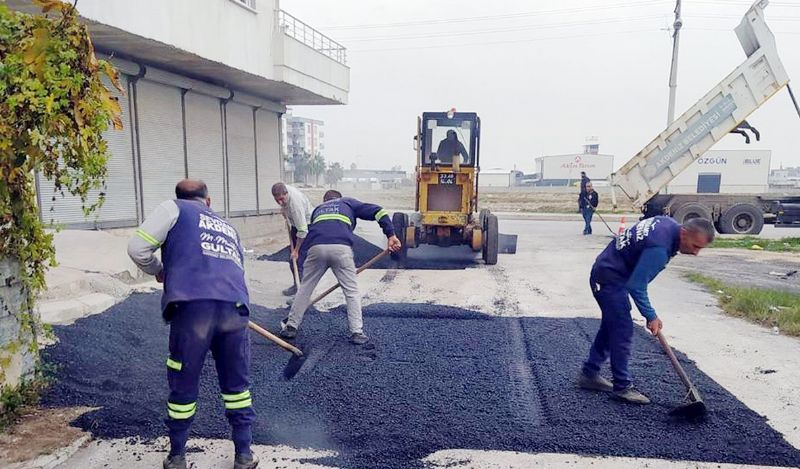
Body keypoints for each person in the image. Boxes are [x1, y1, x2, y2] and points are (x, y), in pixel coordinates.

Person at [127, 179, 258, 469]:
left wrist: (159, 271)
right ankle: (244, 455)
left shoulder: (173, 208)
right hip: (235, 309)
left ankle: (177, 456)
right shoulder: (228, 227)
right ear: (208, 201)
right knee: (237, 386)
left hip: (193, 310)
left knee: (183, 383)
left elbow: (138, 248)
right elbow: (239, 270)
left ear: (180, 197)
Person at [576, 216, 714, 404]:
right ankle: (622, 387)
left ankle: (590, 374)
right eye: (695, 246)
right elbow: (637, 286)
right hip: (608, 278)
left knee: (612, 326)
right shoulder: (659, 249)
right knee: (622, 330)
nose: (696, 253)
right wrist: (651, 316)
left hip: (610, 270)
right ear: (684, 233)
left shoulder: (667, 223)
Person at [279, 190, 402, 345]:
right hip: (341, 248)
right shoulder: (348, 202)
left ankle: (291, 326)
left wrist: (297, 250)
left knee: (305, 288)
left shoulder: (318, 209)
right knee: (351, 292)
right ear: (339, 198)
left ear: (325, 201)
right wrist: (391, 235)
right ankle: (357, 332)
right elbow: (379, 211)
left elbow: (302, 229)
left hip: (316, 248)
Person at [271, 182, 313, 296]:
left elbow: (303, 231)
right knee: (293, 260)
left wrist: (296, 250)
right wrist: (284, 208)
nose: (280, 202)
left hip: (307, 226)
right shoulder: (283, 189)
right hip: (297, 225)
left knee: (298, 259)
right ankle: (297, 286)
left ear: (287, 193)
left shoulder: (295, 207)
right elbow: (283, 202)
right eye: (277, 200)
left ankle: (302, 293)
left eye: (282, 199)